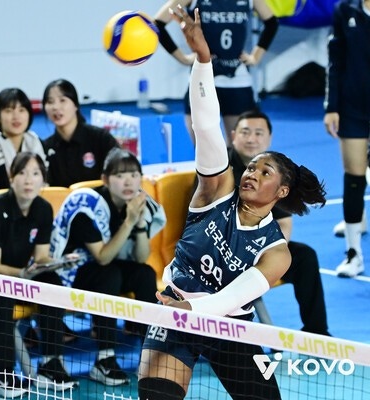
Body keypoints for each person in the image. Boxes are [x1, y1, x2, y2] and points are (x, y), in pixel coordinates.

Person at [138, 8, 326, 400]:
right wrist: (203, 60)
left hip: (230, 328)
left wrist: (195, 312)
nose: (251, 173)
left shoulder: (276, 252)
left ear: (282, 192)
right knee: (157, 396)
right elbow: (207, 125)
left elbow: (231, 299)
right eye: (252, 166)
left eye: (264, 172)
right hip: (175, 314)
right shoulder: (216, 189)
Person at [0, 152, 78, 398]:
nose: (29, 180)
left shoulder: (43, 209)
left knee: (52, 284)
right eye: (23, 173)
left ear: (43, 180)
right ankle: (2, 372)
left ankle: (50, 363)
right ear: (11, 177)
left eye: (35, 174)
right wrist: (24, 274)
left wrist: (60, 263)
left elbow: (41, 258)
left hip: (17, 274)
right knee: (2, 292)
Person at [49, 148, 166, 386]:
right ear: (105, 179)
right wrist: (129, 222)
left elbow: (140, 258)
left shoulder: (137, 204)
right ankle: (105, 359)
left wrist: (139, 224)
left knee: (145, 274)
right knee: (109, 274)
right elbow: (102, 258)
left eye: (134, 175)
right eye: (120, 175)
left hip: (103, 268)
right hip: (68, 273)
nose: (128, 181)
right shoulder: (87, 207)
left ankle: (150, 354)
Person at [229, 110, 329, 335]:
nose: (252, 139)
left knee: (304, 257)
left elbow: (284, 225)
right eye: (245, 132)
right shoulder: (219, 171)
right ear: (233, 136)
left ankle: (318, 333)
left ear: (269, 138)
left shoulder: (276, 172)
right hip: (224, 250)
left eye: (258, 133)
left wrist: (269, 256)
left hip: (261, 249)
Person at [153, 0, 279, 142]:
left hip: (237, 82)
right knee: (203, 148)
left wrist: (256, 56)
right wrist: (182, 58)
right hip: (202, 81)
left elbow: (272, 23)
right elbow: (157, 24)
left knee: (240, 147)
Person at [323, 0, 370, 278]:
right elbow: (335, 60)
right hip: (353, 109)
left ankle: (360, 220)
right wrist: (332, 107)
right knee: (354, 177)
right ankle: (354, 254)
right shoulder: (345, 10)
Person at [42, 78, 119, 187]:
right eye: (50, 102)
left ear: (75, 105)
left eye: (62, 100)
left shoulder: (101, 138)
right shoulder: (45, 148)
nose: (56, 107)